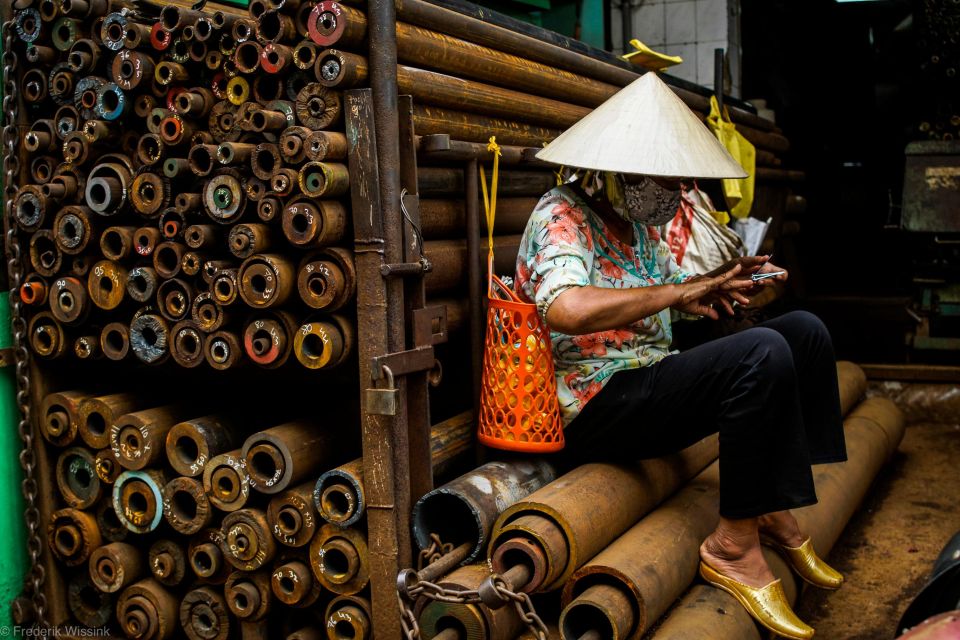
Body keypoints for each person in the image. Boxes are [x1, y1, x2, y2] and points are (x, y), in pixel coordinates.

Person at [515, 73, 847, 640]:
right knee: (761, 353)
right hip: (594, 406)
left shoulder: (639, 227)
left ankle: (767, 502)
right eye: (667, 180)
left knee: (803, 332)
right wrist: (678, 294)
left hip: (648, 378)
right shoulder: (561, 216)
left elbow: (673, 294)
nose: (677, 191)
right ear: (623, 171)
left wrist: (723, 284)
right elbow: (566, 308)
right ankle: (733, 547)